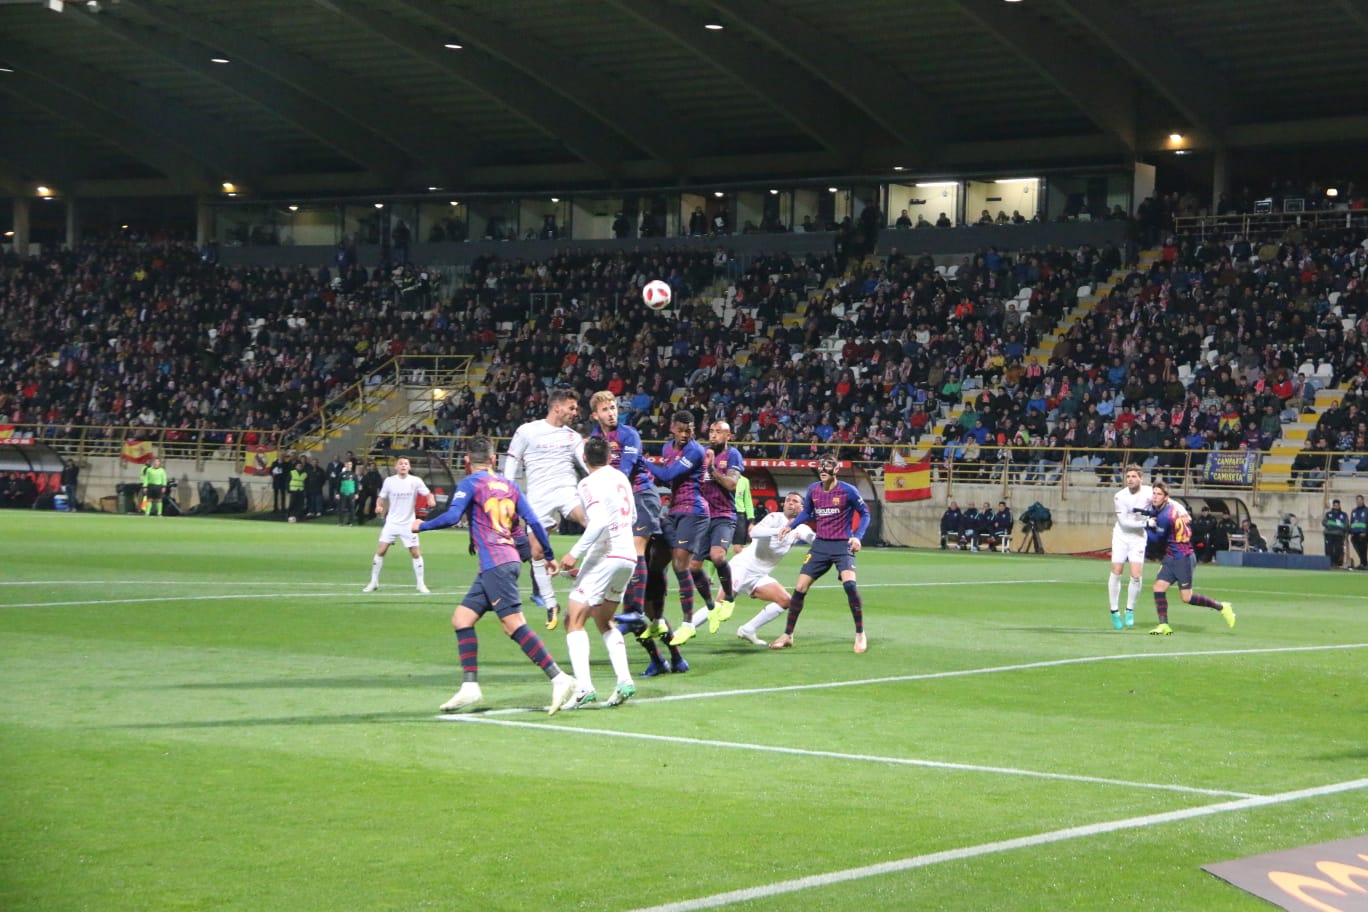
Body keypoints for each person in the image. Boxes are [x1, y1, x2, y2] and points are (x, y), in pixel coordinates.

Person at [413, 435, 577, 715]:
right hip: (505, 561)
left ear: (467, 461)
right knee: (462, 619)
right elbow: (534, 523)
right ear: (493, 459)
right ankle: (469, 687)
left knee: (513, 624)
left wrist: (423, 525)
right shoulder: (511, 486)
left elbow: (453, 517)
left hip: (495, 565)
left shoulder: (471, 483)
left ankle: (559, 678)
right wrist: (547, 555)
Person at [584, 391, 683, 677]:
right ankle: (669, 658)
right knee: (647, 603)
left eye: (613, 407)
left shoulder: (629, 435)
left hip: (640, 496)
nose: (611, 412)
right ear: (595, 414)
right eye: (605, 409)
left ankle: (636, 611)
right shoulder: (594, 441)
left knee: (636, 553)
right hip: (618, 504)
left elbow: (624, 471)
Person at [556, 436, 639, 709]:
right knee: (605, 621)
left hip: (608, 554)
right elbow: (633, 518)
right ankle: (625, 680)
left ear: (584, 459)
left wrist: (574, 553)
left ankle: (584, 688)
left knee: (573, 619)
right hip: (627, 556)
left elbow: (600, 522)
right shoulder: (620, 477)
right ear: (609, 457)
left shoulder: (588, 483)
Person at [771, 452, 871, 653]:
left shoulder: (848, 491)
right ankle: (788, 634)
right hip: (820, 545)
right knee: (800, 588)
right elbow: (807, 513)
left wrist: (857, 536)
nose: (822, 470)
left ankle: (860, 633)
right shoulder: (813, 490)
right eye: (820, 466)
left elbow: (865, 513)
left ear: (836, 470)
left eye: (827, 467)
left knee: (850, 585)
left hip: (842, 545)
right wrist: (791, 525)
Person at [503, 388, 587, 628]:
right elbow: (511, 462)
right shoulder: (528, 431)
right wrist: (509, 496)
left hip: (566, 491)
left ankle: (585, 570)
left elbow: (588, 464)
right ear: (556, 407)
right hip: (538, 497)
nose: (575, 412)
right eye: (571, 408)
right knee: (537, 552)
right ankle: (551, 604)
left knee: (590, 522)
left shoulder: (573, 437)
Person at [646, 410, 710, 647]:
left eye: (689, 430)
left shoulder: (695, 450)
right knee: (656, 560)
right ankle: (657, 621)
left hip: (694, 511)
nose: (685, 435)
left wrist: (642, 461)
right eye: (681, 430)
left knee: (680, 564)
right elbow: (666, 480)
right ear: (672, 427)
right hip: (674, 510)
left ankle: (688, 623)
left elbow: (669, 473)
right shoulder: (666, 449)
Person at [1145, 480, 1236, 636]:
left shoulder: (1166, 516)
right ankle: (1164, 625)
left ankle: (1222, 607)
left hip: (1183, 558)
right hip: (1171, 556)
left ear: (1166, 497)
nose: (1155, 496)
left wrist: (1146, 527)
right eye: (1154, 493)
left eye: (1159, 494)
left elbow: (1156, 539)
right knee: (1158, 588)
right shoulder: (1171, 508)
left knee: (1186, 598)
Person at [733, 492, 817, 645]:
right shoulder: (774, 518)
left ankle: (748, 629)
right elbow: (754, 532)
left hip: (759, 575)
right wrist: (779, 531)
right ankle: (685, 627)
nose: (790, 503)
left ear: (802, 507)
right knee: (719, 605)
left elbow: (814, 540)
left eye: (794, 501)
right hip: (742, 567)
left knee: (785, 600)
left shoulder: (801, 528)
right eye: (787, 500)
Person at [693, 419, 744, 634]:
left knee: (718, 556)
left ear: (728, 436)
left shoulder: (733, 456)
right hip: (702, 516)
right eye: (711, 431)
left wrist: (712, 469)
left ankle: (729, 597)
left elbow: (731, 485)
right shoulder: (701, 454)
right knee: (693, 567)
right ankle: (711, 606)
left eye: (718, 432)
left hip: (723, 515)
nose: (713, 435)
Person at [363, 456, 434, 593]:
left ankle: (420, 584)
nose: (403, 466)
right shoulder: (389, 481)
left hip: (408, 523)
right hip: (392, 522)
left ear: (409, 467)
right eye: (400, 463)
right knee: (381, 550)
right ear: (396, 467)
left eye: (406, 464)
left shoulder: (415, 481)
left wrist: (431, 500)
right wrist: (379, 506)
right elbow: (381, 497)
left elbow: (428, 493)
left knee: (415, 553)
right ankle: (373, 582)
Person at [1108, 465, 1152, 630]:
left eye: (1134, 476)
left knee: (1136, 574)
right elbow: (1124, 522)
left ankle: (1130, 610)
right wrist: (1147, 522)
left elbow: (1166, 500)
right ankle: (1114, 611)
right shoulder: (1120, 496)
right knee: (1117, 570)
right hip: (1121, 536)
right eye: (1128, 477)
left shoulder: (1149, 492)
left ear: (1141, 478)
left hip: (1138, 538)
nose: (1130, 479)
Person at [731, 471, 754, 557]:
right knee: (717, 547)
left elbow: (748, 501)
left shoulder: (744, 481)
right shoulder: (723, 478)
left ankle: (737, 570)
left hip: (739, 516)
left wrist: (751, 520)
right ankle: (711, 571)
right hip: (724, 514)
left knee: (738, 549)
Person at [1323, 498, 1349, 568]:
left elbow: (1346, 525)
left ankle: (1336, 563)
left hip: (1339, 534)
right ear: (1333, 506)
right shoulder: (1328, 514)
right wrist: (1330, 526)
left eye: (1337, 505)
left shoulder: (1344, 515)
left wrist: (1341, 529)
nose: (1336, 506)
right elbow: (1324, 522)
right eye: (1334, 505)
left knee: (1338, 550)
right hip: (1329, 534)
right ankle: (1329, 563)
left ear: (1339, 505)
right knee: (1328, 549)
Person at [336, 459, 357, 526]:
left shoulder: (354, 474)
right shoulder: (341, 474)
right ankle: (340, 522)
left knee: (351, 508)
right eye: (348, 464)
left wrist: (357, 493)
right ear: (345, 465)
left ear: (352, 465)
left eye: (350, 464)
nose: (349, 465)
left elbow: (357, 484)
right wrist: (337, 493)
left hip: (351, 493)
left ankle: (350, 522)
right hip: (343, 493)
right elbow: (338, 484)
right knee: (341, 508)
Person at [1350, 495, 1368, 570]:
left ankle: (1364, 563)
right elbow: (1352, 522)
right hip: (1355, 534)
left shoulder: (1366, 510)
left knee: (1363, 549)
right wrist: (1351, 531)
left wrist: (1365, 532)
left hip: (1364, 533)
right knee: (1359, 549)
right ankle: (1363, 563)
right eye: (1357, 500)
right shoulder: (1354, 511)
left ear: (1363, 500)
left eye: (1360, 500)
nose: (1359, 502)